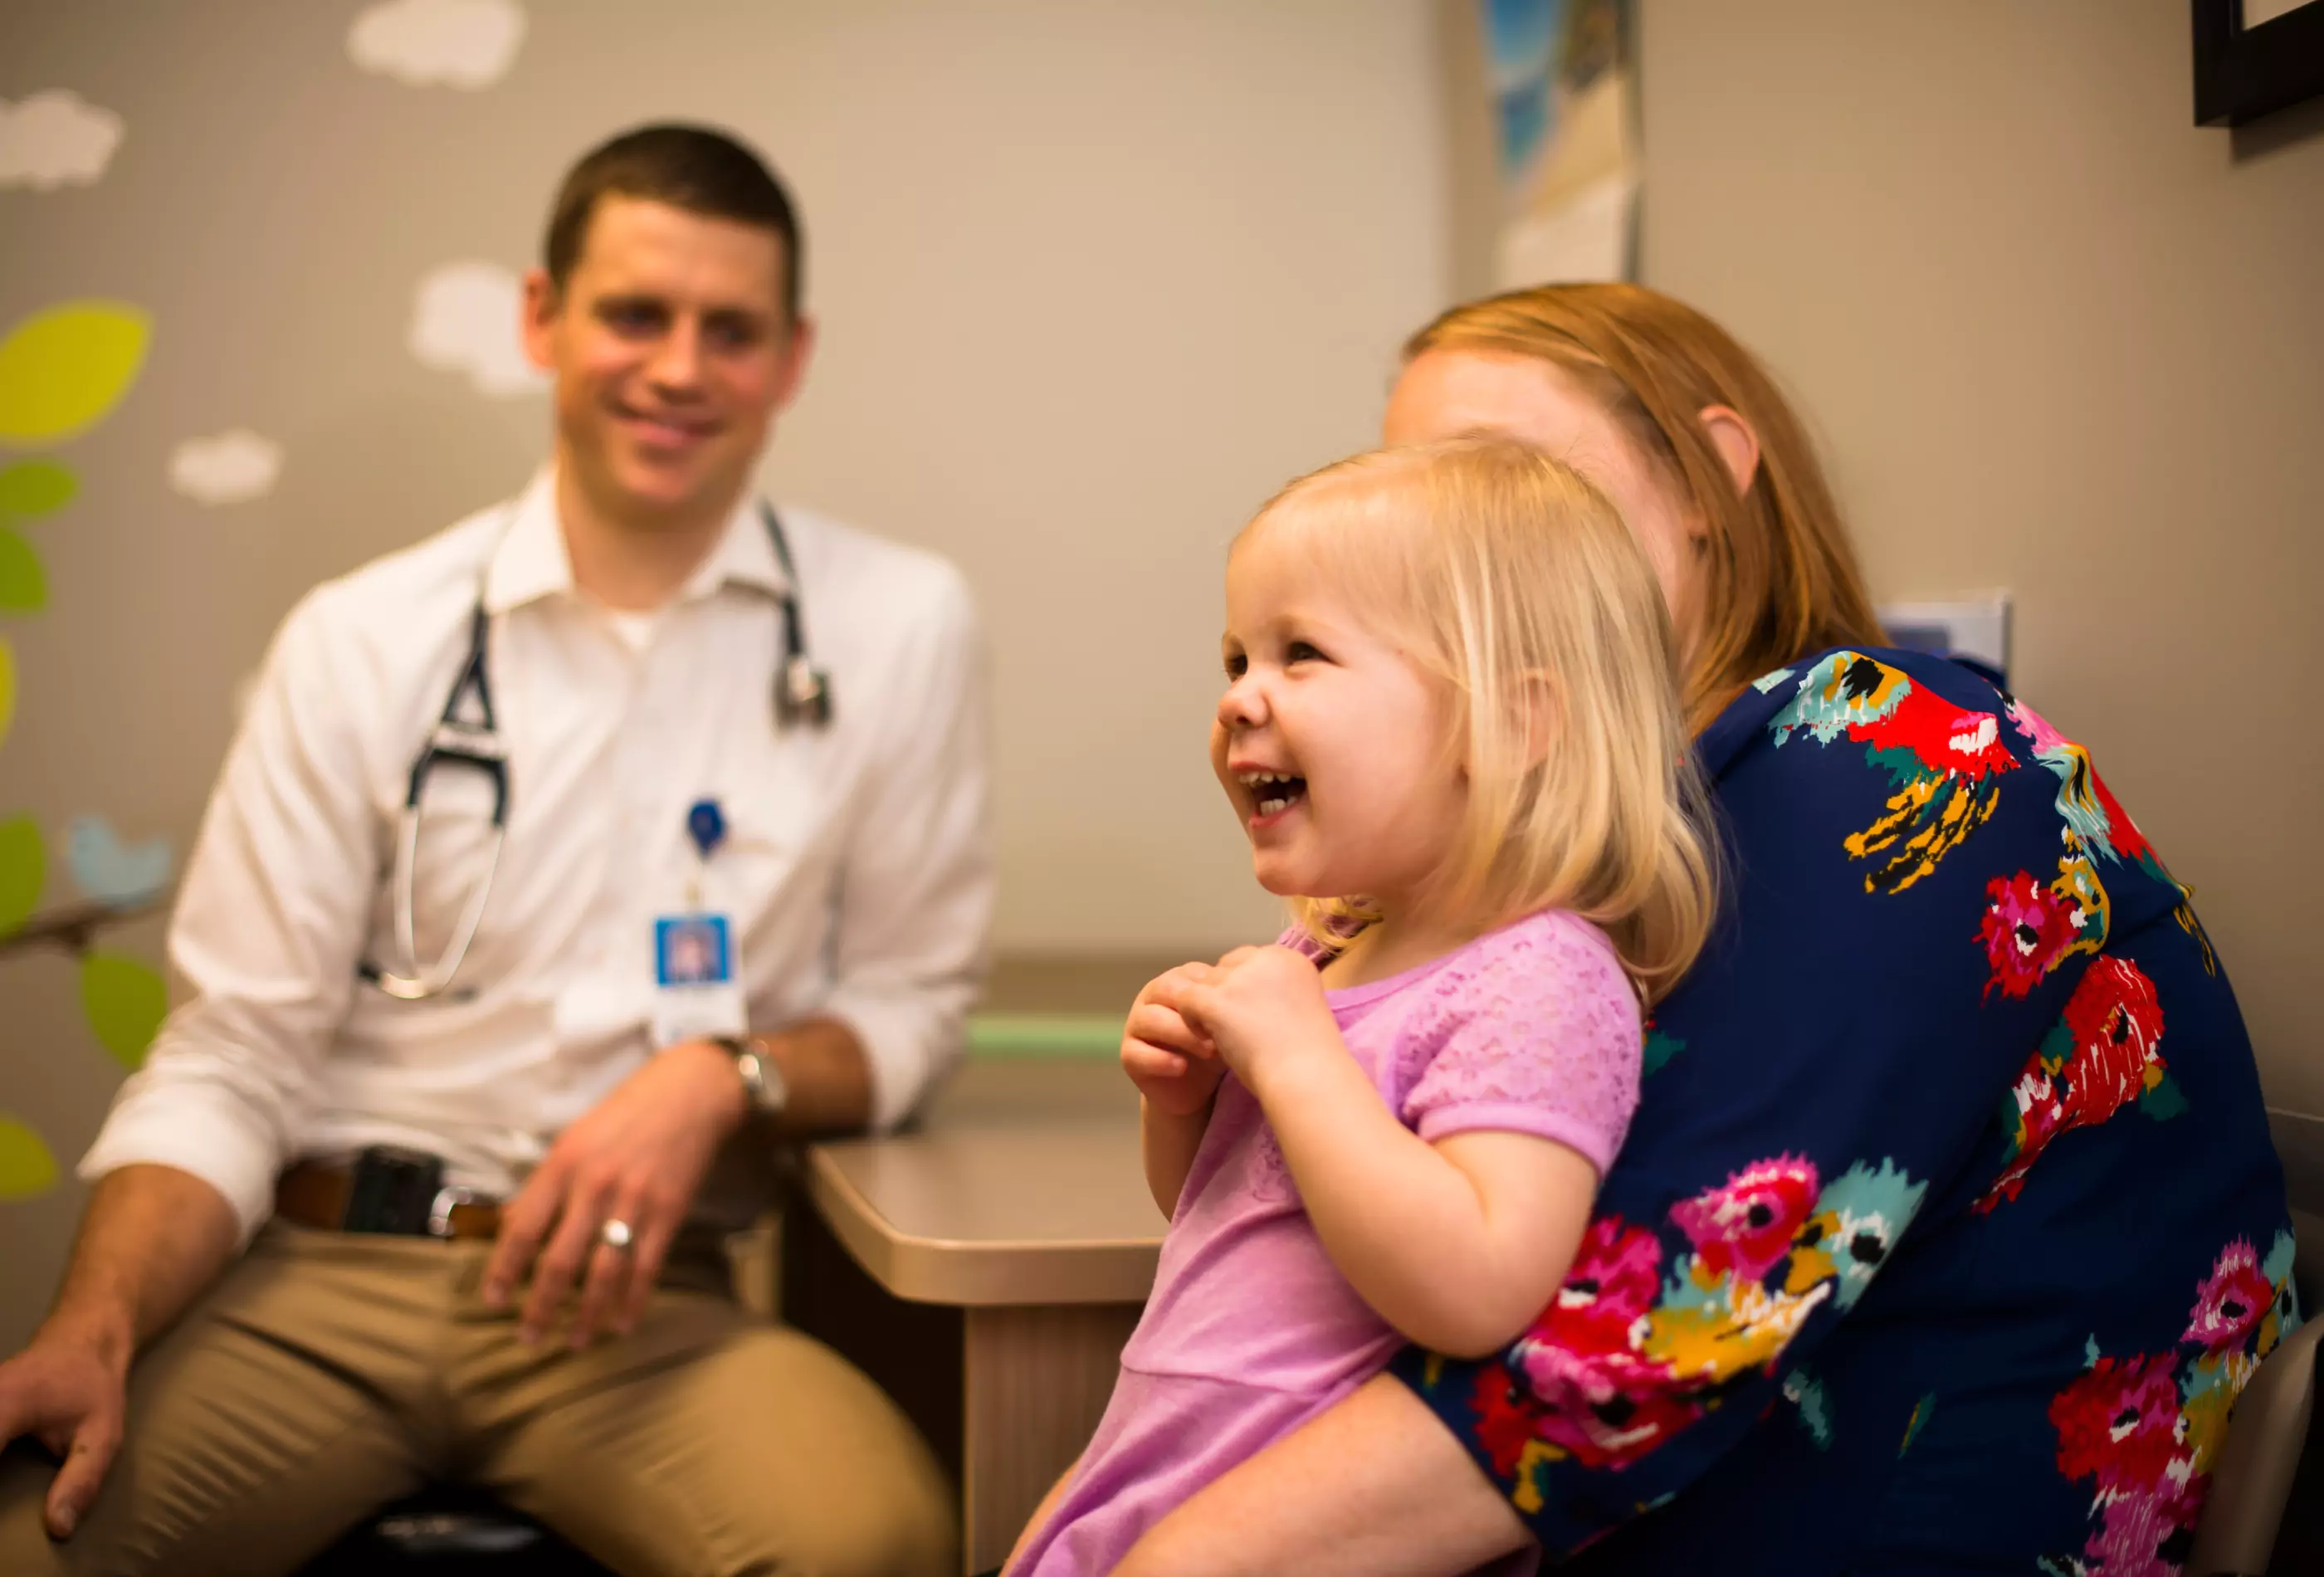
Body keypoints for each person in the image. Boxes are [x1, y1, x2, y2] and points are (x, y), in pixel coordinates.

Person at [1111, 284, 2297, 1576]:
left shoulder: (1898, 766)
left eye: (1506, 479)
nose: (1457, 548)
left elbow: (1629, 1349)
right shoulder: (1535, 861)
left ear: (1708, 479)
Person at [0, 124, 986, 1577]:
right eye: (636, 314)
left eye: (733, 330)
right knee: (38, 1541)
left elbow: (912, 1010)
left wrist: (721, 1079)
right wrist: (91, 1326)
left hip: (649, 1310)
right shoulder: (362, 638)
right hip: (323, 1274)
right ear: (544, 319)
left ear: (791, 357)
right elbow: (233, 1059)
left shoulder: (898, 627)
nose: (679, 367)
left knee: (882, 1541)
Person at [1003, 438, 1721, 1575]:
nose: (1241, 697)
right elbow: (1232, 1224)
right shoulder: (1332, 945)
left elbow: (1479, 1283)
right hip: (1154, 1480)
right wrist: (1183, 1111)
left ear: (1513, 727)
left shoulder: (1542, 977)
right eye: (1237, 655)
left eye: (1303, 654)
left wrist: (1292, 1058)